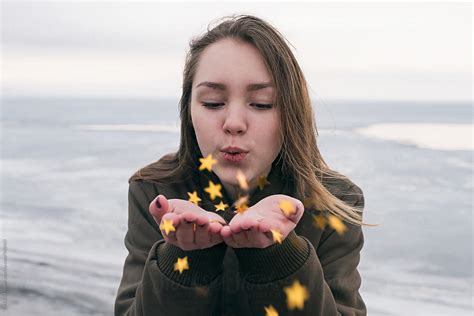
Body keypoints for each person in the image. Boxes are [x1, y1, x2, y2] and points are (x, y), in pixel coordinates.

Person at [114, 14, 372, 316]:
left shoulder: (334, 201)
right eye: (212, 102)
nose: (234, 123)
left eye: (261, 103)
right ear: (189, 111)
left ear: (291, 112)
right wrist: (183, 261)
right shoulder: (155, 191)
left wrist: (280, 256)